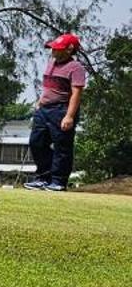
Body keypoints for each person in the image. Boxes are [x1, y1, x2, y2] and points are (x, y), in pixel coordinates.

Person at [26, 33, 88, 192]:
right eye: (52, 47)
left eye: (57, 48)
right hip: (44, 109)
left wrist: (69, 116)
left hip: (61, 110)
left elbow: (76, 93)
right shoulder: (51, 63)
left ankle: (58, 181)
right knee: (36, 143)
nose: (53, 50)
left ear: (69, 49)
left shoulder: (76, 68)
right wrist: (39, 103)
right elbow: (47, 87)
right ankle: (43, 177)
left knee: (62, 147)